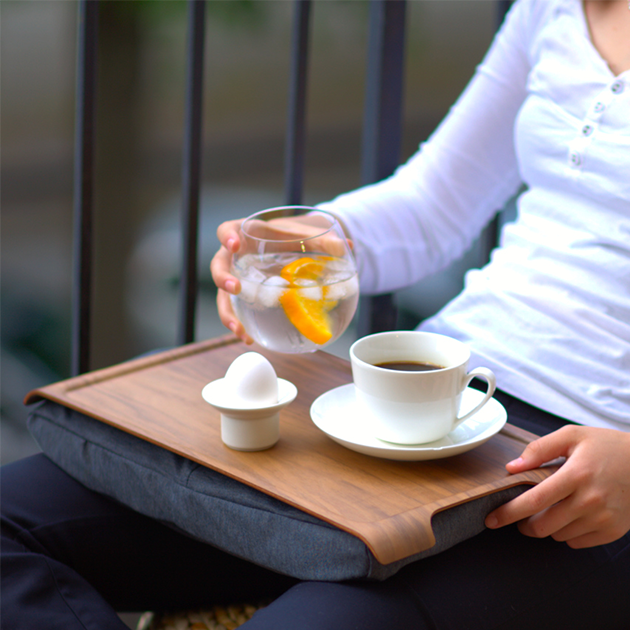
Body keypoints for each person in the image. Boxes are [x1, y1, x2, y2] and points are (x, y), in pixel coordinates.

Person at [2, 1, 629, 629]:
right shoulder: (551, 9)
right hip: (417, 404)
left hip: (576, 479)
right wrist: (319, 242)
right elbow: (434, 204)